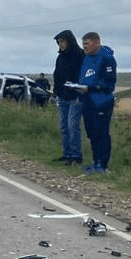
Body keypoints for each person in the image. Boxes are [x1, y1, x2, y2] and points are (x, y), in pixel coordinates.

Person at [73, 31, 117, 174]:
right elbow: (84, 78)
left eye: (87, 44)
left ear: (96, 42)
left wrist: (90, 88)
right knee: (91, 133)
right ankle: (95, 162)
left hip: (102, 102)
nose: (84, 47)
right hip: (87, 101)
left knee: (101, 133)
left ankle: (103, 165)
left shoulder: (107, 59)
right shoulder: (87, 59)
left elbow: (109, 84)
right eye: (83, 44)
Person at [52, 30, 85, 166]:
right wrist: (56, 92)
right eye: (59, 42)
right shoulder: (60, 58)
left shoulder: (81, 56)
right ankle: (67, 155)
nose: (60, 44)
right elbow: (57, 75)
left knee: (72, 126)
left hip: (76, 96)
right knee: (64, 126)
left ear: (69, 41)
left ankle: (76, 156)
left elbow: (84, 76)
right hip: (62, 96)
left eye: (62, 41)